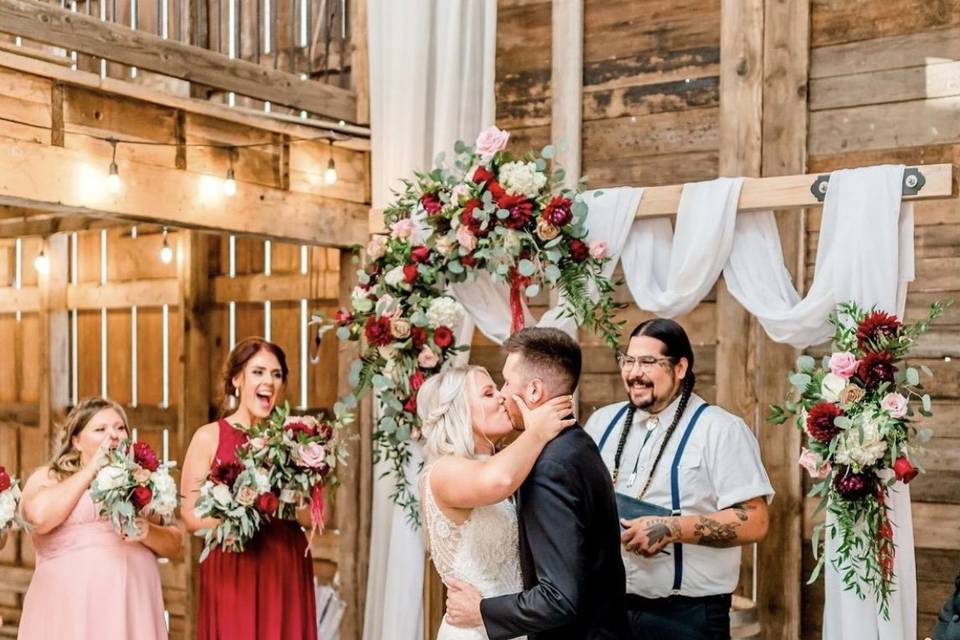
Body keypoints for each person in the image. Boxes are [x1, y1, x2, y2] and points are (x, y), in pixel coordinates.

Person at [584, 318, 773, 640]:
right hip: (607, 610)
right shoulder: (602, 423)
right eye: (628, 361)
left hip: (687, 617)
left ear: (680, 367)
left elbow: (755, 521)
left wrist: (670, 528)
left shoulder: (721, 429)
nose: (634, 373)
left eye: (648, 362)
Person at [446, 327, 627, 639]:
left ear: (533, 391)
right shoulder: (577, 443)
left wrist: (482, 611)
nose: (502, 394)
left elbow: (559, 598)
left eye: (505, 382)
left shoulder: (549, 466)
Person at [418, 364, 575, 640]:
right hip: (473, 632)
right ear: (459, 410)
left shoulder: (504, 463)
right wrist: (537, 431)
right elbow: (498, 480)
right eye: (488, 393)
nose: (503, 397)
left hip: (510, 625)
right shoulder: (443, 471)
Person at [181, 337, 316, 640]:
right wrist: (240, 514)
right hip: (233, 564)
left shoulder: (295, 440)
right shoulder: (209, 436)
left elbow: (316, 519)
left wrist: (307, 473)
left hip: (283, 563)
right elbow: (190, 516)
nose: (268, 380)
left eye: (276, 374)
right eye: (258, 372)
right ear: (236, 379)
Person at [18, 397, 182, 640]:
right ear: (76, 440)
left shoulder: (141, 481)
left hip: (132, 607)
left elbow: (175, 543)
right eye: (100, 429)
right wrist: (91, 469)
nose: (113, 435)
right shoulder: (50, 477)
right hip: (70, 610)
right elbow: (40, 518)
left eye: (119, 427)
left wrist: (148, 531)